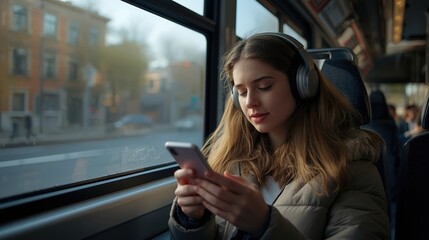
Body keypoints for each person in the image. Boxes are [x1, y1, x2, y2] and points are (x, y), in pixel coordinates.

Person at [168, 32, 389, 239]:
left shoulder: (352, 169)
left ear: (303, 85)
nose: (250, 102)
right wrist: (193, 219)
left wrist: (264, 225)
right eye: (242, 92)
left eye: (264, 86)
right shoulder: (232, 163)